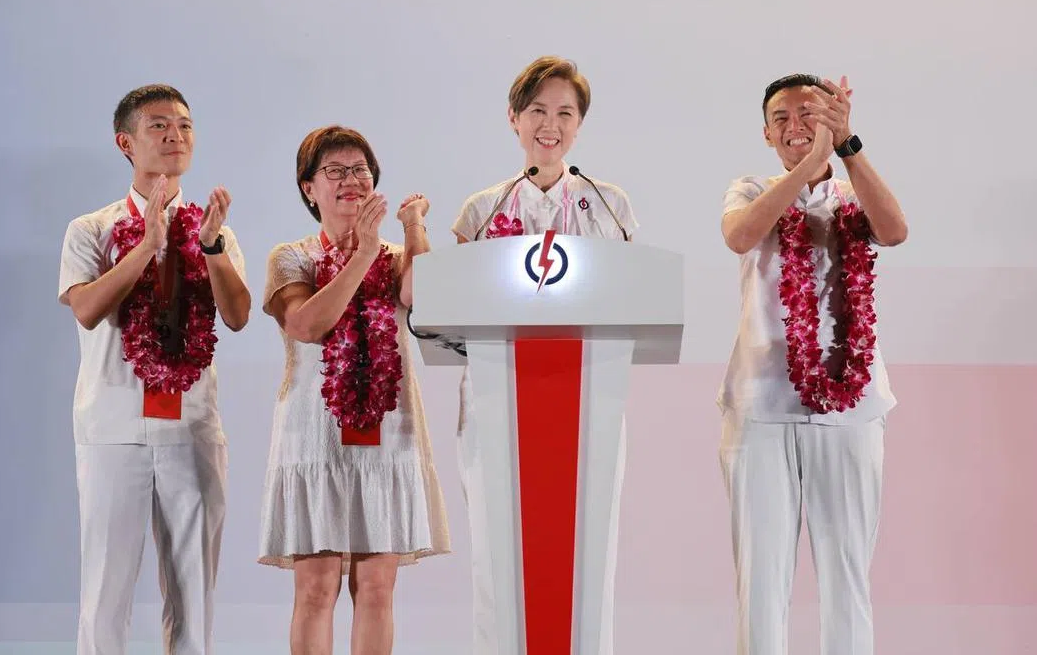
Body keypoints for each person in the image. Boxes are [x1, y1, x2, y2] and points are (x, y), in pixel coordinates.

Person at [450, 56, 639, 654]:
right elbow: (450, 307)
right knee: (496, 553)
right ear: (514, 118)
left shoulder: (608, 205)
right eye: (537, 111)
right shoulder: (482, 209)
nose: (549, 125)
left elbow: (636, 293)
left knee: (588, 551)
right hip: (497, 400)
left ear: (580, 125)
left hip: (589, 402)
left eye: (565, 112)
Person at [718, 73, 908, 655]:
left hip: (851, 409)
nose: (795, 126)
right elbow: (740, 236)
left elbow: (895, 231)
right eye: (783, 118)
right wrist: (809, 164)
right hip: (761, 407)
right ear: (767, 133)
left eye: (809, 113)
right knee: (762, 579)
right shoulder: (750, 188)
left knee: (848, 575)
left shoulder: (853, 193)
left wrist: (847, 148)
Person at [58, 84, 251, 655]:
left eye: (185, 126)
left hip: (191, 428)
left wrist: (211, 246)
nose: (175, 136)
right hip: (112, 428)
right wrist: (146, 246)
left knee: (193, 590)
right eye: (159, 126)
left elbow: (238, 316)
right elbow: (89, 309)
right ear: (126, 143)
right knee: (105, 590)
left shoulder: (215, 227)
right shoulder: (90, 228)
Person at [259, 125, 450, 655]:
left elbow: (423, 296)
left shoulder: (393, 254)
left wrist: (413, 228)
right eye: (335, 171)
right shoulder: (290, 256)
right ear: (308, 187)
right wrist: (363, 253)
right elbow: (306, 324)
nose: (350, 181)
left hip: (388, 433)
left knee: (377, 588)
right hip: (314, 436)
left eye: (360, 170)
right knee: (317, 587)